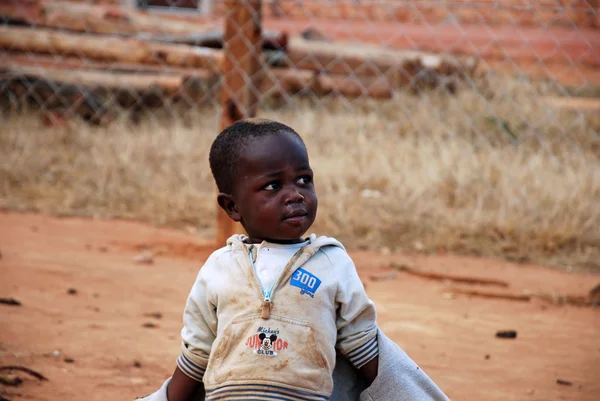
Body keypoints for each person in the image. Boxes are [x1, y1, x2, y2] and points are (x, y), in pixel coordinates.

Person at [136, 118, 449, 401]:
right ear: (233, 207)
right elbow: (196, 356)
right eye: (273, 186)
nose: (295, 194)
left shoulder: (331, 263)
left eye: (303, 180)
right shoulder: (219, 268)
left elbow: (366, 350)